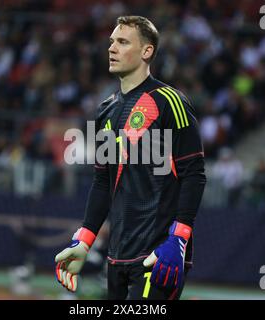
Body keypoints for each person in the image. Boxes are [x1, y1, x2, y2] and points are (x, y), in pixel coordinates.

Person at [54, 16, 206, 300]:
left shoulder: (170, 102)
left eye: (123, 42)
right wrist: (84, 240)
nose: (112, 48)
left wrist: (178, 239)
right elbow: (102, 182)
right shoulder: (104, 112)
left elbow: (194, 173)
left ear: (147, 51)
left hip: (158, 254)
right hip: (117, 256)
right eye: (112, 41)